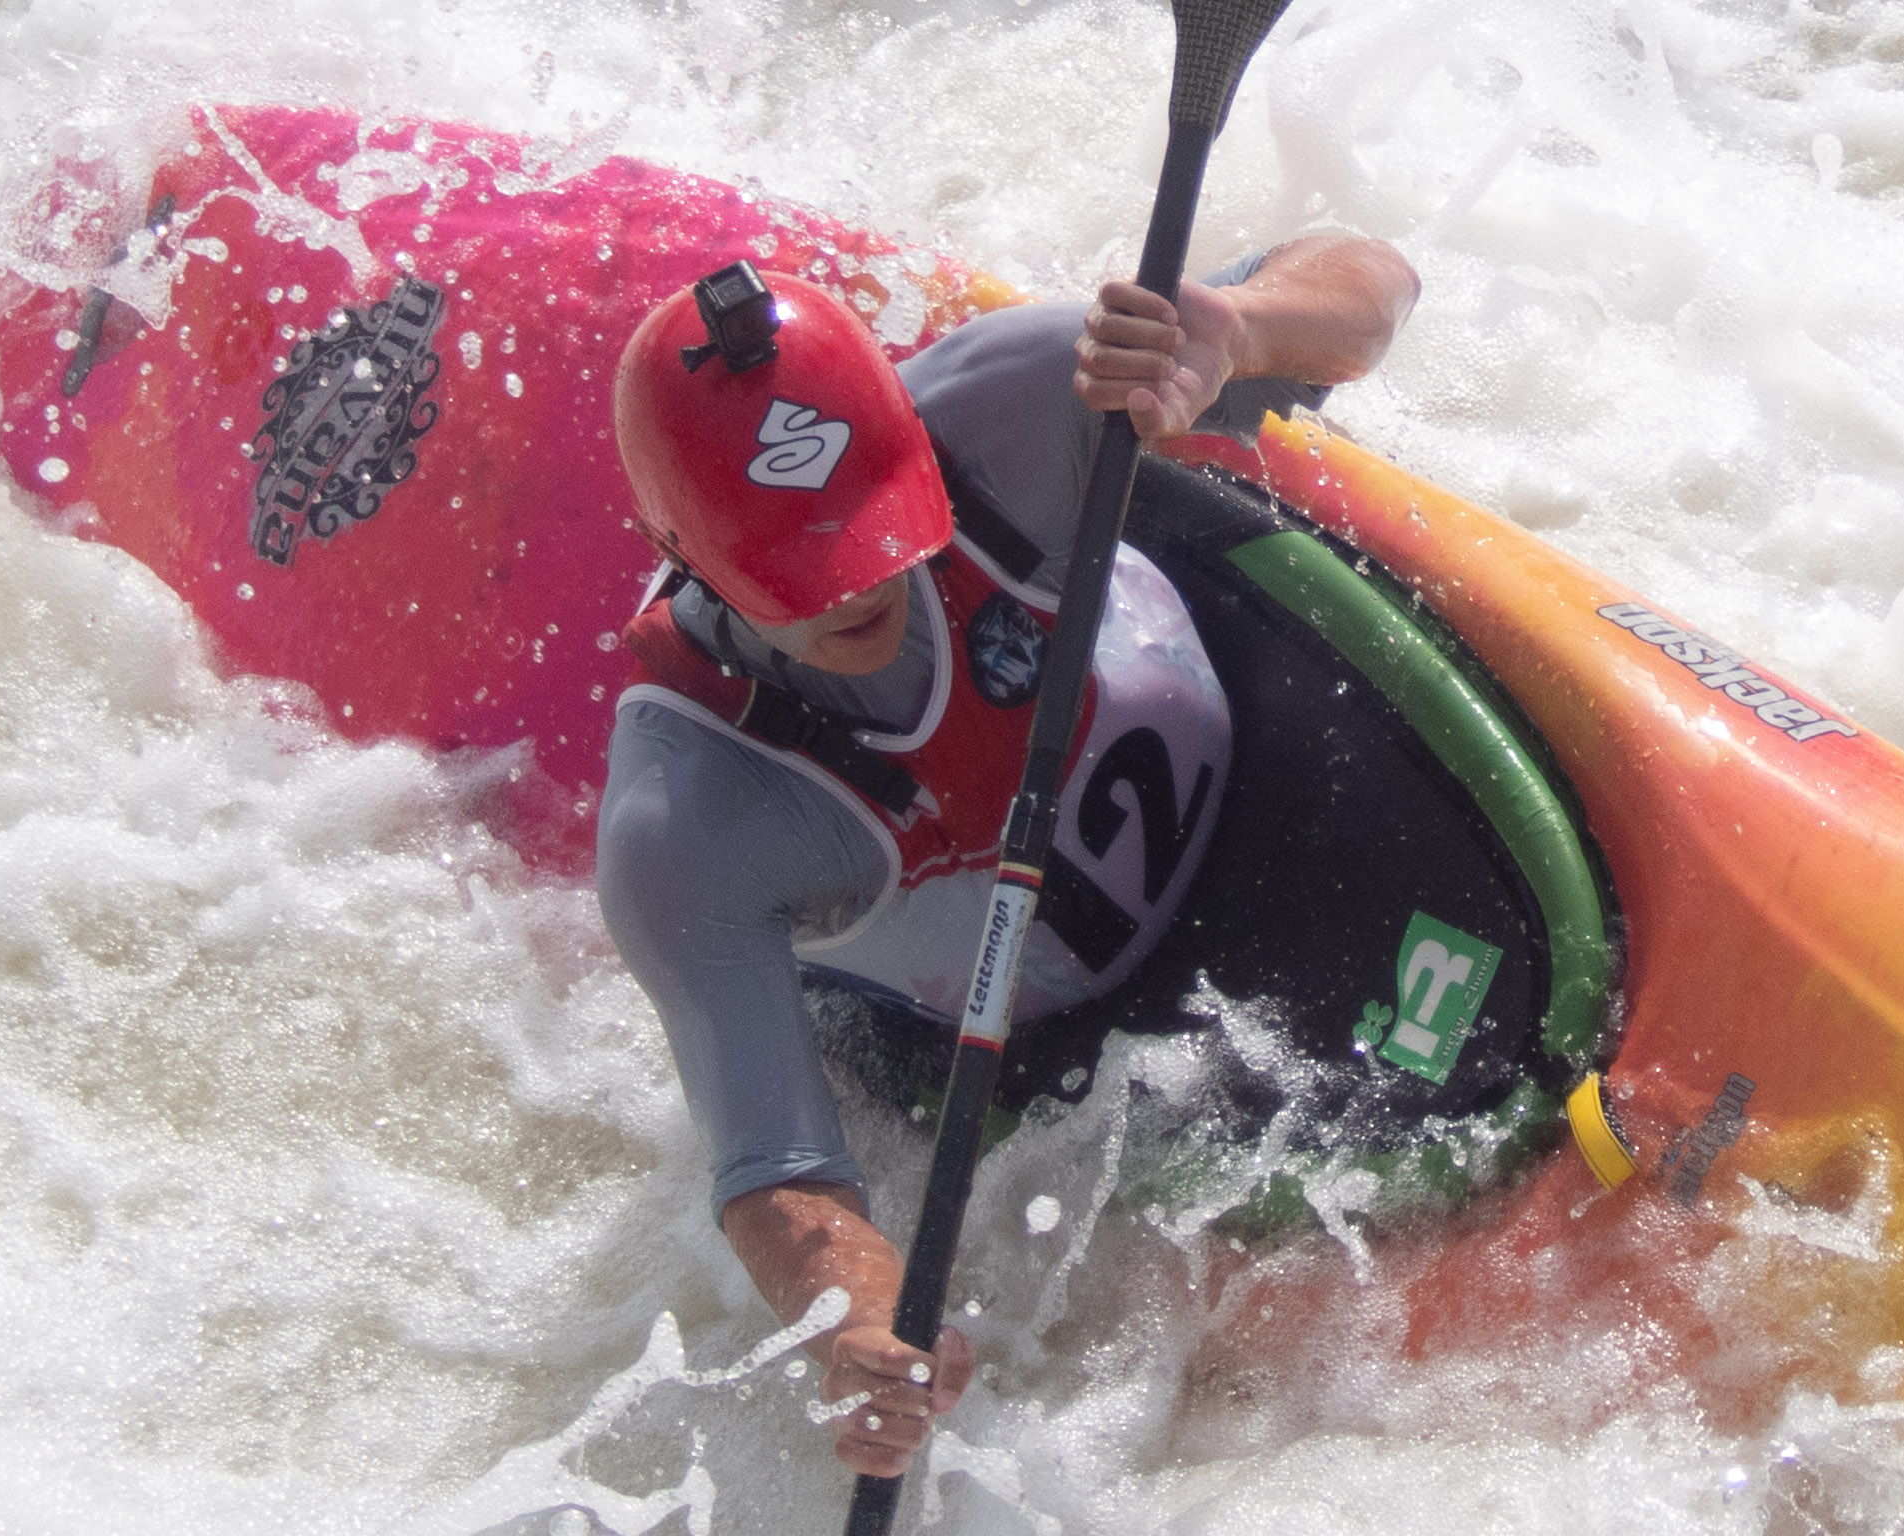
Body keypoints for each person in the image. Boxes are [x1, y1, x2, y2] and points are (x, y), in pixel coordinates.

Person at [592, 232, 1418, 1481]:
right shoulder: (686, 828)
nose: (852, 591)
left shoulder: (1020, 395)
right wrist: (856, 1324)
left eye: (876, 532)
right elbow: (777, 1173)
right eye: (800, 575)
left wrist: (1240, 326)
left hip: (1265, 777)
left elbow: (1375, 281)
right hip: (1072, 1055)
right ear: (688, 561)